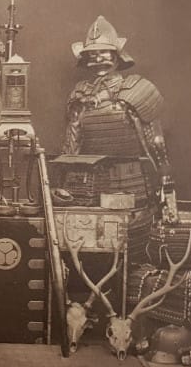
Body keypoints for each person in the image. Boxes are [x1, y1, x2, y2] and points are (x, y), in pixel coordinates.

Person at [64, 15, 176, 220]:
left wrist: (165, 178)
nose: (99, 60)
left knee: (134, 237)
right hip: (90, 185)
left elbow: (156, 140)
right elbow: (72, 146)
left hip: (132, 181)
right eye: (93, 55)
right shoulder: (79, 94)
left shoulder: (136, 88)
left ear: (117, 55)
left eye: (104, 53)